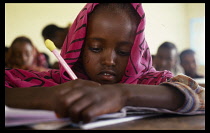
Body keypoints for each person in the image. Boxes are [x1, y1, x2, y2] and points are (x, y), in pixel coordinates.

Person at [5, 3, 204, 124]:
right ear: (79, 47)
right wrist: (50, 96)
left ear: (137, 53)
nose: (109, 60)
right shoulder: (57, 82)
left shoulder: (152, 81)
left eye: (124, 52)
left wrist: (123, 94)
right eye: (96, 48)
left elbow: (200, 96)